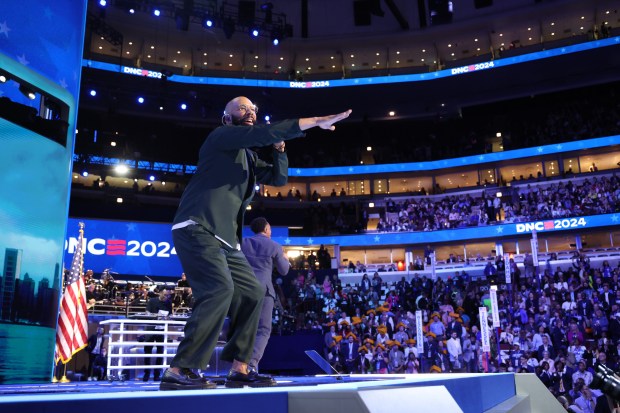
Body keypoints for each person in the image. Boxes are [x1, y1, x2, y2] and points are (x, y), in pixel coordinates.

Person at [161, 95, 351, 390]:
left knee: (253, 292)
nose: (249, 112)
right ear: (227, 117)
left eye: (253, 109)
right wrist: (314, 122)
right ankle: (179, 369)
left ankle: (240, 367)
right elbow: (262, 133)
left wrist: (279, 149)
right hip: (198, 226)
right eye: (242, 108)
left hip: (226, 238)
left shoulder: (248, 157)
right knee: (219, 290)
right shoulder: (222, 137)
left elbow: (278, 178)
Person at [241, 217, 291, 375]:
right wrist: (286, 260)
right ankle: (252, 364)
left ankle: (238, 365)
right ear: (266, 229)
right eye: (270, 228)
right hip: (264, 291)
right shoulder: (275, 246)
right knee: (263, 330)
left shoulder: (244, 242)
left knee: (244, 328)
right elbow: (284, 271)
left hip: (244, 290)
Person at [143, 289, 172, 382]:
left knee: (160, 353)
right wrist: (156, 315)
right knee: (147, 352)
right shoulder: (152, 301)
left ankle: (157, 375)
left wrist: (167, 318)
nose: (166, 297)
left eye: (168, 295)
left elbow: (170, 315)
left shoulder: (168, 303)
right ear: (160, 293)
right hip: (151, 329)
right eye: (165, 295)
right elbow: (147, 313)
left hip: (161, 329)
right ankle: (146, 374)